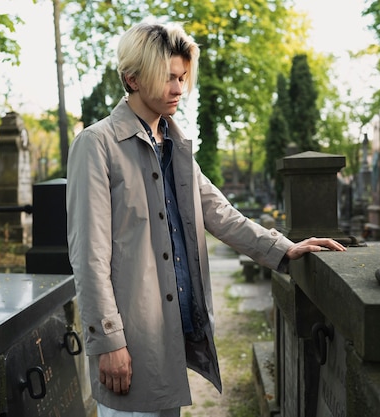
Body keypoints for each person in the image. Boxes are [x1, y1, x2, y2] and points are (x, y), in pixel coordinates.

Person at [66, 20, 346, 417]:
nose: (179, 89)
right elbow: (88, 255)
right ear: (132, 78)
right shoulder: (96, 145)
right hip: (129, 336)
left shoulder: (174, 144)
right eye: (167, 78)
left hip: (171, 330)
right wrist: (108, 341)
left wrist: (283, 247)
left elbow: (217, 211)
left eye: (182, 77)